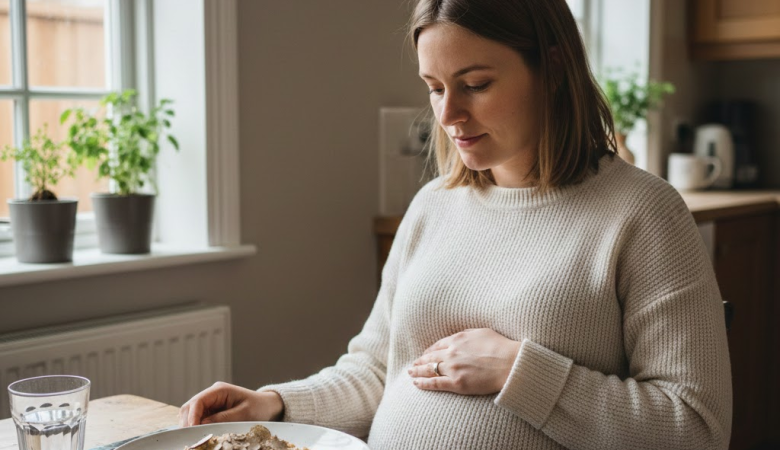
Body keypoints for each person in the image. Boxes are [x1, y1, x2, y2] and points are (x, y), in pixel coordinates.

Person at [179, 0, 732, 448]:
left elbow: (697, 427)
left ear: (556, 68)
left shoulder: (644, 215)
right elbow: (378, 371)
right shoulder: (432, 208)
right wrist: (275, 403)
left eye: (475, 84)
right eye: (436, 87)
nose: (447, 116)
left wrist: (520, 371)